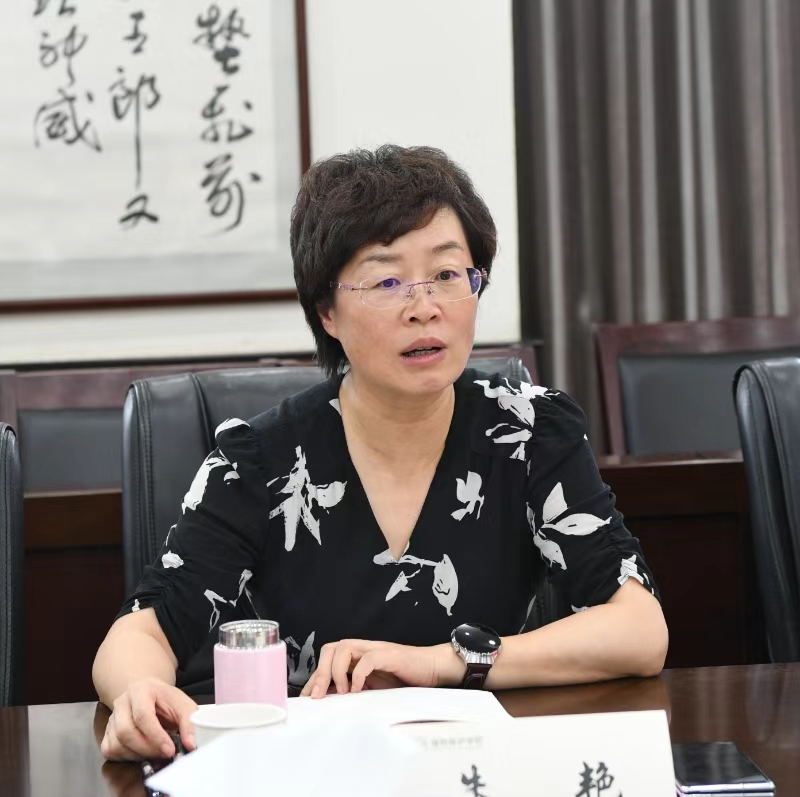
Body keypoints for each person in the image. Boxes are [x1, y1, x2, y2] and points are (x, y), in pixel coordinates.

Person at [93, 145, 668, 761]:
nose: (425, 308)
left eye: (448, 274)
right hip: (317, 767)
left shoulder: (527, 432)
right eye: (387, 281)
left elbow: (638, 628)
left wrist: (445, 662)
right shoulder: (261, 461)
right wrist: (140, 692)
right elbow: (142, 630)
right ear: (327, 312)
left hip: (478, 763)